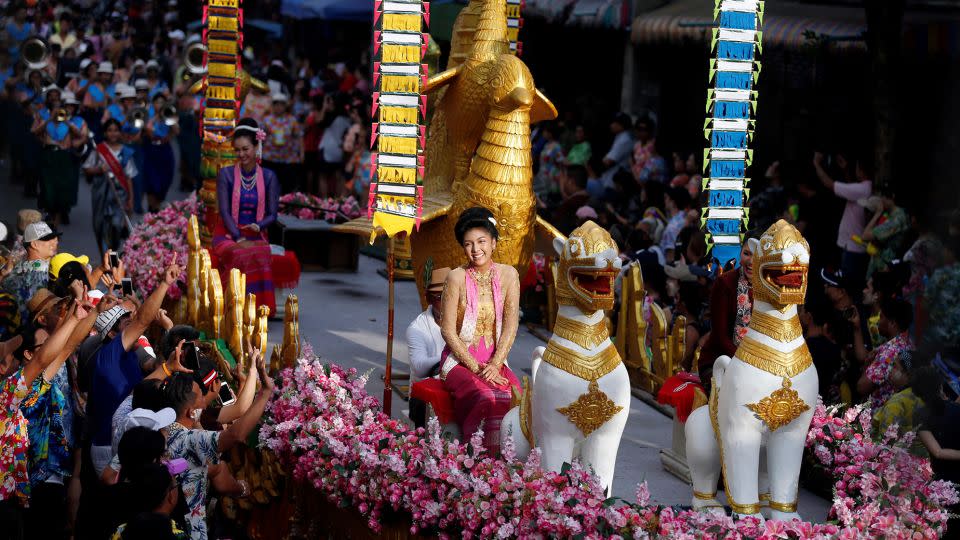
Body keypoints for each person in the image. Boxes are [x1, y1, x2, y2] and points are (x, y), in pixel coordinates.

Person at [440, 208, 521, 456]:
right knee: (485, 395)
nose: (475, 249)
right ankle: (477, 459)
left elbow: (510, 326)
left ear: (494, 242)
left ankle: (505, 465)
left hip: (494, 362)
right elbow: (447, 331)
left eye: (481, 242)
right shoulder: (455, 277)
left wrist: (495, 365)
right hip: (459, 362)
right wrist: (476, 368)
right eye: (468, 244)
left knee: (516, 397)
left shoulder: (509, 275)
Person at [161, 365, 272, 540]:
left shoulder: (161, 429)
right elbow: (236, 435)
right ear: (191, 412)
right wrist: (265, 393)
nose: (205, 402)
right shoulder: (190, 439)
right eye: (200, 398)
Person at [213, 118, 279, 314]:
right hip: (228, 234)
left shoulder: (268, 176)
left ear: (256, 147)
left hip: (256, 233)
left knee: (261, 252)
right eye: (237, 150)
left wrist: (259, 226)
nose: (241, 154)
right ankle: (235, 307)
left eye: (246, 149)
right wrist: (238, 237)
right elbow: (224, 211)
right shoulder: (226, 175)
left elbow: (272, 214)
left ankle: (259, 309)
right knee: (239, 253)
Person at [698, 236, 757, 391]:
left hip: (758, 365)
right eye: (747, 253)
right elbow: (720, 335)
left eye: (757, 255)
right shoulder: (725, 283)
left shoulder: (770, 287)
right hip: (719, 360)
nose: (751, 261)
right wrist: (747, 363)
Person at [813, 152, 873, 294]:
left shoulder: (863, 189)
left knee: (848, 287)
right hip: (854, 246)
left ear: (861, 170)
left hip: (854, 248)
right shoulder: (863, 189)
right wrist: (845, 169)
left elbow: (829, 184)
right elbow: (850, 189)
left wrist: (816, 163)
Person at [84, 118, 136, 254]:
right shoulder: (98, 150)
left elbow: (129, 177)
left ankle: (112, 252)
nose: (113, 133)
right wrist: (99, 170)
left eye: (116, 130)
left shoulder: (126, 152)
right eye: (110, 130)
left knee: (116, 225)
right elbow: (87, 168)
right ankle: (105, 258)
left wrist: (131, 198)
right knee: (100, 226)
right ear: (105, 133)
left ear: (120, 133)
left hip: (119, 195)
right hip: (100, 194)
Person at [33, 85, 82, 226]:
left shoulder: (68, 122)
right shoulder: (45, 119)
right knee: (47, 187)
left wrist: (65, 120)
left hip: (63, 157)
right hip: (48, 155)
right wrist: (49, 119)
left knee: (62, 188)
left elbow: (78, 134)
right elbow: (35, 132)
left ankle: (57, 221)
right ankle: (49, 215)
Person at [857, 298, 914, 410]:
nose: (878, 321)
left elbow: (861, 387)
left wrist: (867, 364)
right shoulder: (909, 346)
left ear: (892, 323)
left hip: (875, 419)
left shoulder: (889, 352)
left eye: (882, 317)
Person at [5, 221, 61, 324]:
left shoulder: (21, 265)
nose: (54, 242)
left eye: (53, 238)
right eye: (47, 239)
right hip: (30, 327)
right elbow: (41, 308)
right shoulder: (41, 269)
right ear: (34, 244)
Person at [861, 189, 910, 278]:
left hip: (884, 266)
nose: (881, 202)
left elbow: (865, 236)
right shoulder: (889, 214)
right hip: (878, 263)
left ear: (891, 197)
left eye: (882, 198)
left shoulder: (897, 218)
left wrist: (878, 212)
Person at [260, 93, 303, 194]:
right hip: (269, 158)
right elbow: (260, 137)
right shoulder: (266, 120)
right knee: (269, 185)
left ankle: (285, 207)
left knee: (287, 187)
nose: (278, 107)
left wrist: (301, 153)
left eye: (281, 104)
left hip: (288, 159)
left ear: (285, 106)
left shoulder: (292, 120)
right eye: (276, 104)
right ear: (272, 105)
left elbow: (299, 137)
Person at [143, 93, 179, 212]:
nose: (160, 105)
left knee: (166, 179)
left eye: (162, 102)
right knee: (151, 181)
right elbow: (149, 132)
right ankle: (152, 207)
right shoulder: (149, 115)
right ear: (153, 104)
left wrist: (170, 119)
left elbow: (177, 131)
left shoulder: (168, 115)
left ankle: (157, 205)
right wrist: (157, 116)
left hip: (165, 150)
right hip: (152, 150)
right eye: (157, 102)